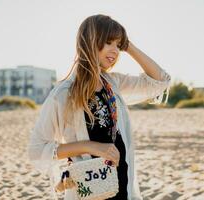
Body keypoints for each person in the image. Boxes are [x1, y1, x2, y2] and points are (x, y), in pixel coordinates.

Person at [28, 14, 171, 200]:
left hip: (122, 185)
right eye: (108, 42)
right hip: (89, 189)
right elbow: (37, 150)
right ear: (90, 41)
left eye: (118, 45)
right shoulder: (63, 94)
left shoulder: (113, 83)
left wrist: (129, 46)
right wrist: (92, 147)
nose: (115, 50)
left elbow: (160, 80)